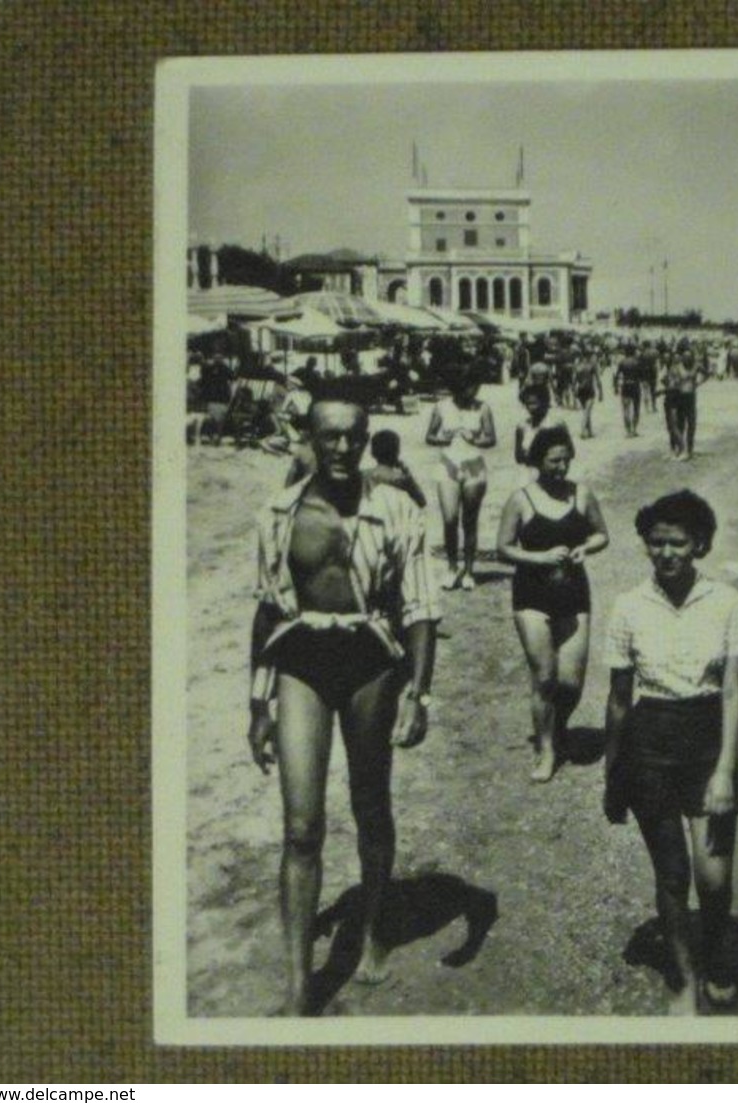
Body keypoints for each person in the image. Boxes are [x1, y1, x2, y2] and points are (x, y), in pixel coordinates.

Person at [245, 388, 440, 1016]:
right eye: (327, 435)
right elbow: (268, 609)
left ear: (366, 438)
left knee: (369, 800)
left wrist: (419, 689)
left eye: (353, 435)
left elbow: (421, 608)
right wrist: (257, 705)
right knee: (301, 827)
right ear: (307, 437)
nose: (341, 446)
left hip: (368, 661)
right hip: (301, 661)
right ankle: (301, 980)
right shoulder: (278, 512)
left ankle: (377, 927)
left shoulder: (396, 510)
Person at [602, 490, 738, 1013]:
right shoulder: (627, 606)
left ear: (701, 545)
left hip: (709, 742)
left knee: (713, 880)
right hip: (649, 746)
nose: (666, 553)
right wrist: (612, 774)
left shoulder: (727, 602)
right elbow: (619, 700)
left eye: (678, 543)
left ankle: (714, 953)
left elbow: (733, 692)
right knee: (671, 875)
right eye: (656, 543)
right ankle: (684, 980)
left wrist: (726, 771)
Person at [496, 425, 609, 782]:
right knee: (544, 677)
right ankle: (546, 750)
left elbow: (601, 534)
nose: (561, 468)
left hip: (574, 594)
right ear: (538, 461)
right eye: (553, 461)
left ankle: (556, 726)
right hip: (531, 596)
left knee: (571, 684)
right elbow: (503, 547)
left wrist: (585, 548)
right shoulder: (521, 500)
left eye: (565, 460)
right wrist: (540, 558)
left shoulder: (582, 495)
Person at [425, 373, 497, 591]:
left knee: (469, 520)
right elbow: (429, 436)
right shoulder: (441, 407)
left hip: (473, 468)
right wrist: (445, 438)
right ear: (458, 388)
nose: (475, 392)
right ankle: (451, 568)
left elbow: (491, 438)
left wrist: (474, 439)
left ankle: (468, 570)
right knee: (449, 519)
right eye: (470, 388)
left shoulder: (482, 408)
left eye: (476, 387)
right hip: (448, 468)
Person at [366, 428, 428, 508]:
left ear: (372, 453)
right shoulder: (402, 480)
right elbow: (422, 502)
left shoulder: (365, 476)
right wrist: (407, 472)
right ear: (397, 452)